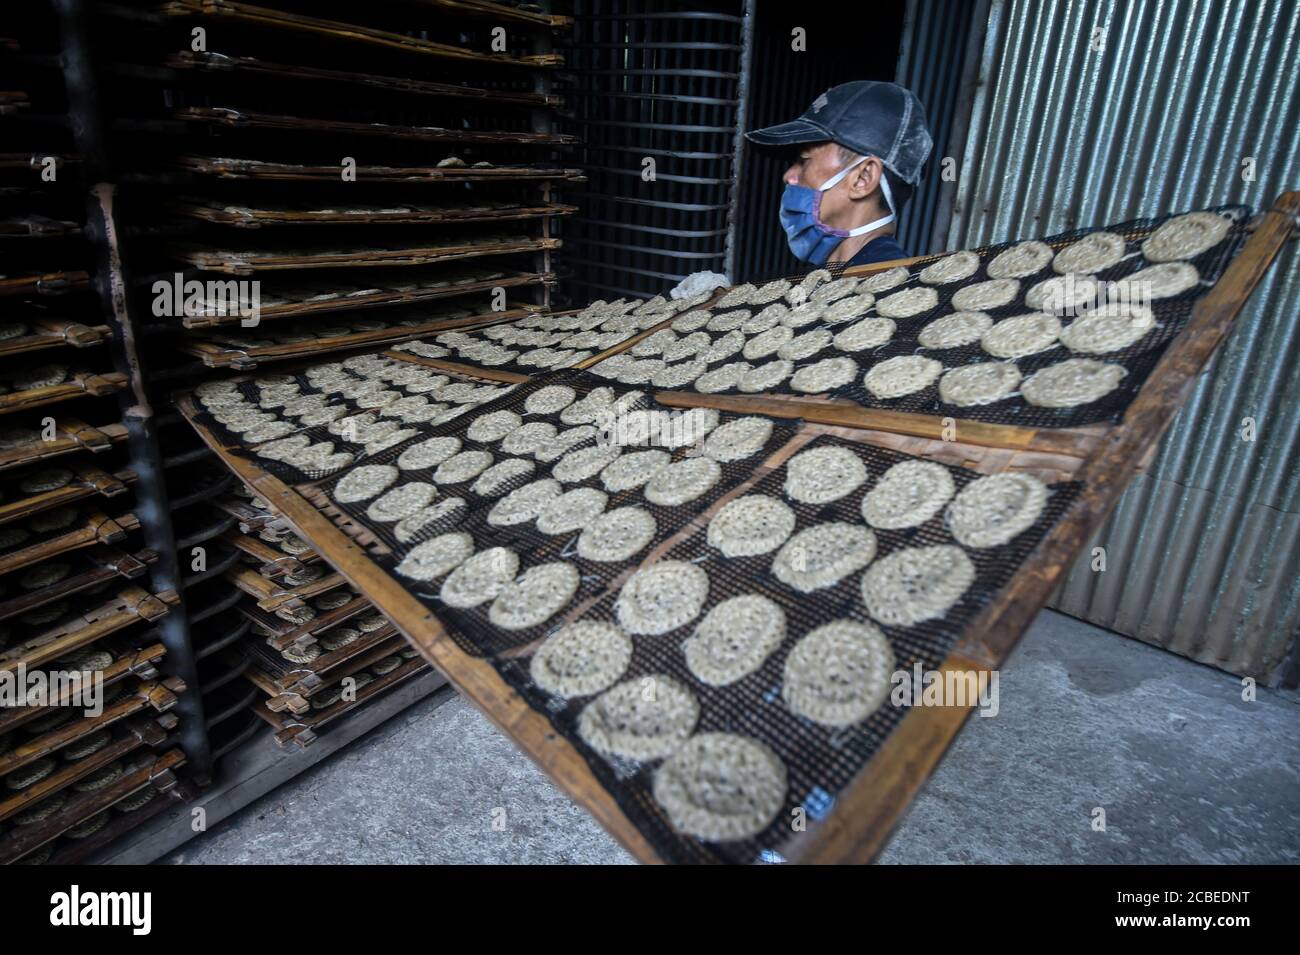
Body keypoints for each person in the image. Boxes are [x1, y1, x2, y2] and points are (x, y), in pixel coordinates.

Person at [745, 80, 933, 268]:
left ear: (863, 178)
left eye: (803, 160)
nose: (789, 176)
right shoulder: (828, 276)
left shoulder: (893, 291)